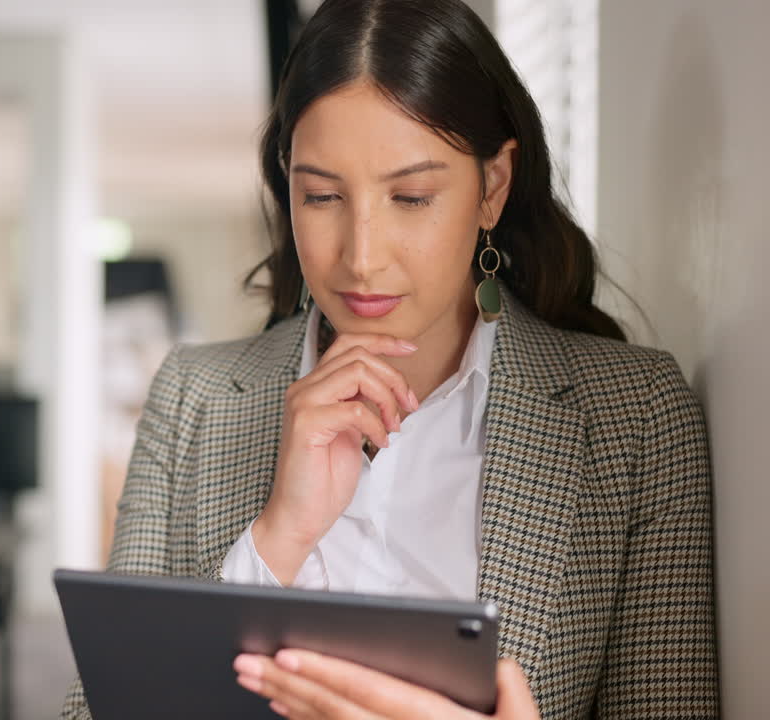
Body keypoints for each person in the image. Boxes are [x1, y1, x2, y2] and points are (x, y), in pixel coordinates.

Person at [61, 0, 717, 717]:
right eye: (321, 195)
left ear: (492, 186)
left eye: (410, 196)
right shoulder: (195, 398)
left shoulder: (636, 418)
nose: (361, 257)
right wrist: (275, 539)